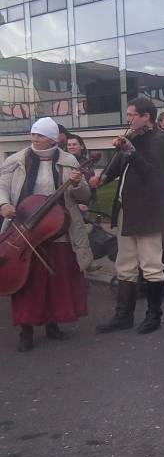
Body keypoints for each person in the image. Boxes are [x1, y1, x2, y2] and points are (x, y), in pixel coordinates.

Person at [0, 117, 92, 351]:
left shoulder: (68, 160)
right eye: (33, 135)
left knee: (56, 280)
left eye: (39, 135)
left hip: (58, 230)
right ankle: (26, 330)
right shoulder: (18, 160)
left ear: (51, 138)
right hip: (24, 229)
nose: (34, 139)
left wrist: (77, 182)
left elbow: (83, 196)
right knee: (27, 282)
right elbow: (1, 185)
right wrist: (3, 205)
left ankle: (53, 324)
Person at [90, 97, 164, 335]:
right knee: (125, 265)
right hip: (127, 211)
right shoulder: (135, 138)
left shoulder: (159, 140)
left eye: (132, 115)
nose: (128, 119)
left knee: (151, 265)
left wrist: (130, 149)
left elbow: (152, 174)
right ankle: (123, 315)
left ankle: (154, 315)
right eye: (128, 115)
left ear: (146, 116)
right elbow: (118, 165)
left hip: (147, 212)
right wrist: (103, 178)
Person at [65, 133, 96, 210]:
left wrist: (86, 204)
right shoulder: (63, 163)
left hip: (83, 205)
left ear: (81, 146)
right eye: (69, 145)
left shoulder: (87, 164)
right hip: (67, 204)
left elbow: (92, 188)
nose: (71, 147)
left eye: (74, 144)